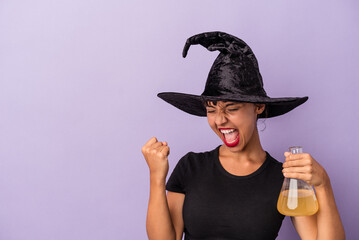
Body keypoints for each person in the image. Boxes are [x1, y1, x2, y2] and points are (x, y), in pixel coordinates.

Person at [141, 32, 345, 240]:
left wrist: (323, 185)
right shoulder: (190, 166)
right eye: (211, 110)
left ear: (258, 107)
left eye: (231, 108)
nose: (220, 120)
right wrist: (156, 177)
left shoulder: (283, 178)